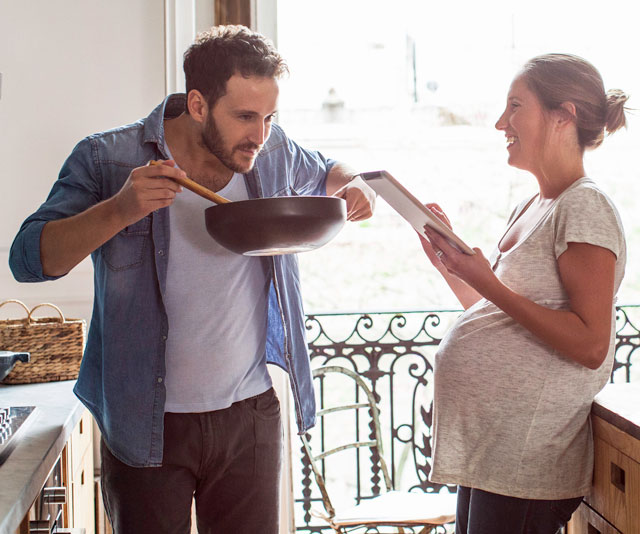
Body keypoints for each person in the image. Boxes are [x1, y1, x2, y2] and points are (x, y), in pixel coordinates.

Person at [9, 25, 375, 534]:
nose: (260, 135)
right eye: (245, 117)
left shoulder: (267, 152)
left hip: (249, 416)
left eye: (270, 117)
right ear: (199, 105)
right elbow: (27, 260)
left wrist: (354, 183)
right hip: (145, 423)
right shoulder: (107, 159)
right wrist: (120, 209)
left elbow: (327, 169)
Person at [419, 53, 628, 534]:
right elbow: (499, 317)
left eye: (515, 106)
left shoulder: (586, 207)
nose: (500, 122)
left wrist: (487, 280)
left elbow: (591, 344)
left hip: (529, 462)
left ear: (564, 115)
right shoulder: (532, 205)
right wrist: (455, 269)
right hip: (494, 455)